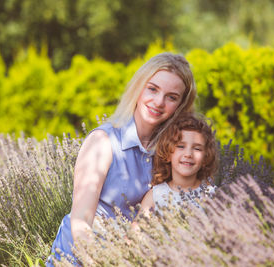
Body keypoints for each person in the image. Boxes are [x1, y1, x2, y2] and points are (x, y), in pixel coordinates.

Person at [48, 52, 197, 265]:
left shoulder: (173, 153)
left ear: (181, 105)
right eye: (152, 89)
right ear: (138, 87)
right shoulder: (103, 142)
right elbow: (81, 222)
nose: (158, 102)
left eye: (171, 97)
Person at [137, 113, 218, 215]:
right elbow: (137, 228)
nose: (188, 154)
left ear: (206, 157)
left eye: (197, 148)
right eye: (180, 146)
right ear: (167, 152)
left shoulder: (211, 195)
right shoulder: (155, 195)